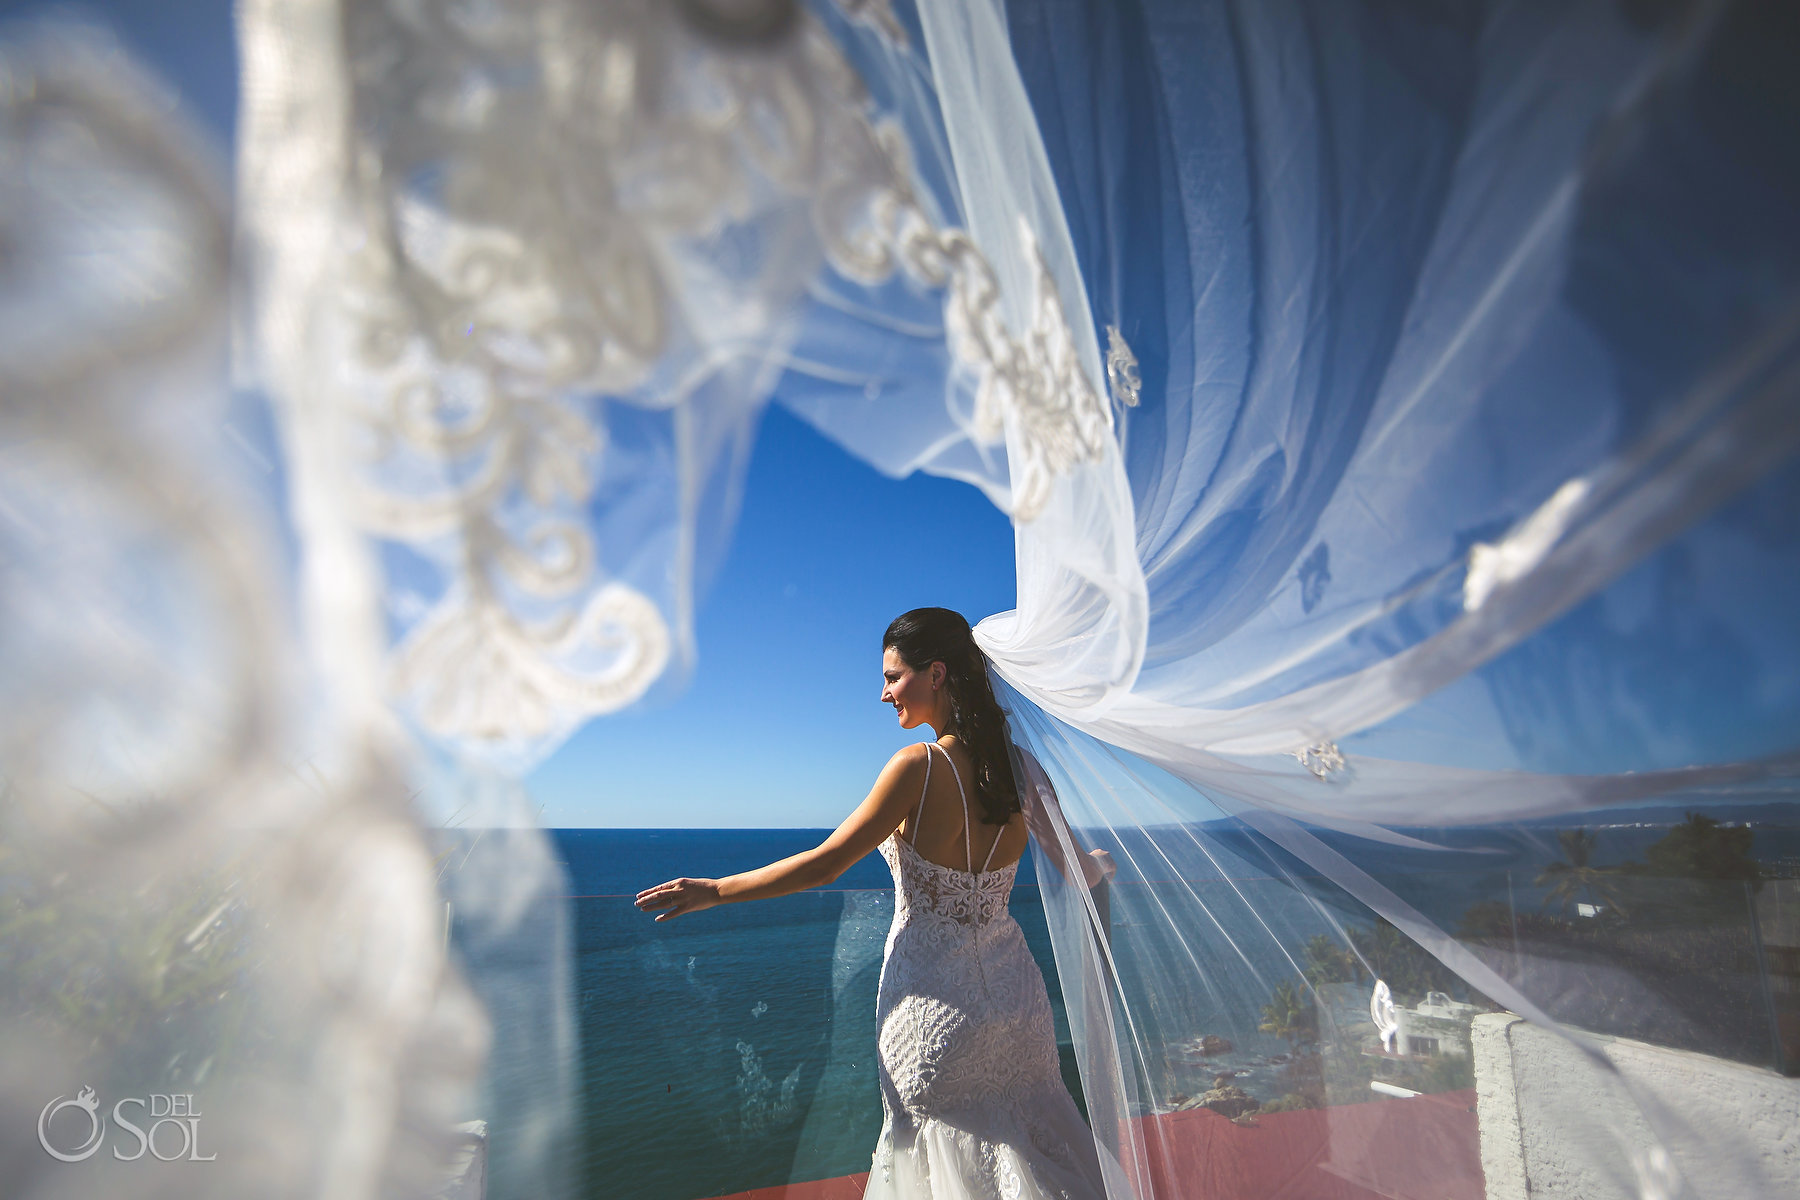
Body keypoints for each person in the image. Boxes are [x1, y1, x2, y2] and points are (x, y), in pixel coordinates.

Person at [636, 607, 1114, 1199]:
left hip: (934, 1014)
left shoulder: (918, 768)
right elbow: (1079, 870)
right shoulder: (1020, 769)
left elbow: (827, 863)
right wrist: (1107, 866)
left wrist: (715, 892)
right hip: (1018, 1010)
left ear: (936, 674)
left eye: (894, 677)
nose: (884, 693)